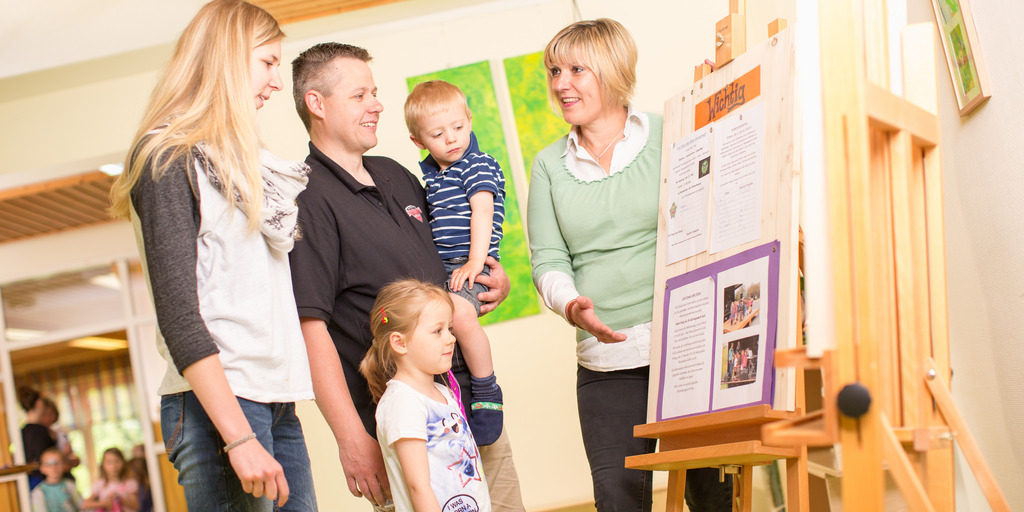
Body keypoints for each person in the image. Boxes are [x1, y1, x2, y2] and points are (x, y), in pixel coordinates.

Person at [288, 42, 525, 510]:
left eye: (374, 93)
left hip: (467, 405)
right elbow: (309, 328)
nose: (377, 104)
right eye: (360, 96)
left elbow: (445, 265)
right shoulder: (307, 198)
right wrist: (351, 437)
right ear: (317, 104)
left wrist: (496, 282)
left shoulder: (397, 173)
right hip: (403, 429)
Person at [108, 1, 315, 509]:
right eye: (267, 63)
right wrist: (239, 436)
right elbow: (180, 313)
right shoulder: (167, 156)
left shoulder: (242, 163)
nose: (275, 82)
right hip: (217, 405)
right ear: (227, 57)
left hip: (272, 399)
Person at [527, 18, 733, 511]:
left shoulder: (672, 130)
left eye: (577, 69)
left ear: (613, 69)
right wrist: (571, 305)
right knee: (618, 499)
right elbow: (549, 258)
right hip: (607, 362)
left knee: (712, 492)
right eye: (555, 70)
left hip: (686, 342)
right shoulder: (549, 165)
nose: (561, 83)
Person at [404, 80, 506, 446]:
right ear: (419, 141)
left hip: (470, 262)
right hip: (445, 270)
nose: (451, 139)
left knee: (461, 316)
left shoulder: (476, 164)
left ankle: (486, 388)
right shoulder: (432, 177)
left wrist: (476, 262)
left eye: (459, 128)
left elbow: (482, 211)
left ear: (470, 120)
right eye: (438, 133)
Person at [360, 280, 490, 511]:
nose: (450, 338)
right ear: (399, 343)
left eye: (449, 329)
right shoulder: (404, 403)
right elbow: (418, 486)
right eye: (437, 331)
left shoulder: (444, 393)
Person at [19, 388, 79, 490]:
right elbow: (47, 460)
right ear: (39, 404)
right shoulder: (40, 431)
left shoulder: (22, 431)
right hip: (45, 482)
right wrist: (65, 454)